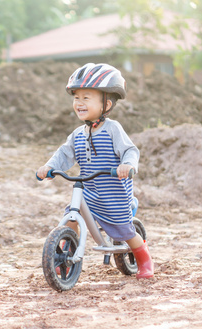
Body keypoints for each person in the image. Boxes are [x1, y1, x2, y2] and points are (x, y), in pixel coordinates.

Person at [36, 63, 154, 279]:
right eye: (76, 97)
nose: (79, 103)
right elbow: (64, 154)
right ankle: (65, 254)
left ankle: (144, 259)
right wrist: (50, 167)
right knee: (71, 217)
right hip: (89, 191)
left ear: (106, 103)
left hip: (113, 193)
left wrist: (127, 165)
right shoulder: (77, 134)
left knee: (124, 230)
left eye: (86, 97)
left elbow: (130, 150)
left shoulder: (113, 129)